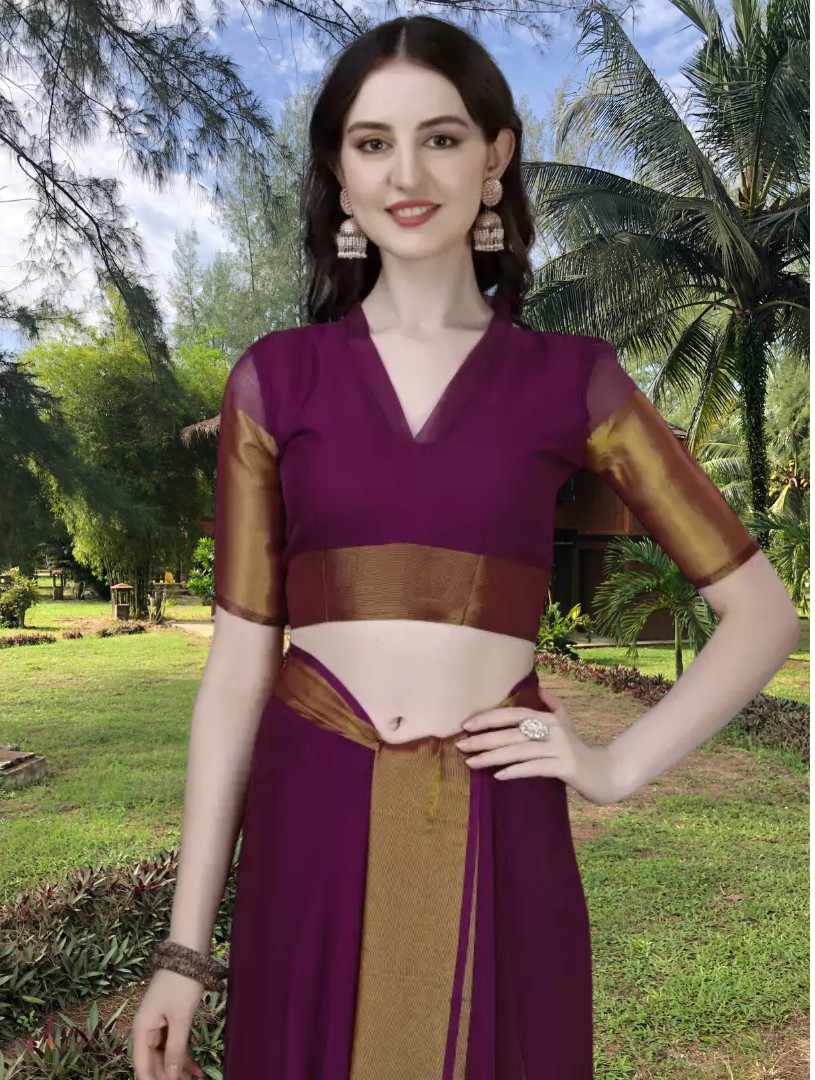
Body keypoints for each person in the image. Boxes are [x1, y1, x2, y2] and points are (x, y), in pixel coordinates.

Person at [130, 14, 799, 1080]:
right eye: (372, 143)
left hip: (496, 809)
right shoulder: (275, 379)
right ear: (338, 175)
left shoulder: (571, 380)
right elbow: (238, 669)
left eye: (439, 138)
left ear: (494, 158)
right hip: (311, 816)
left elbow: (761, 615)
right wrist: (182, 951)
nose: (406, 173)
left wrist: (614, 766)